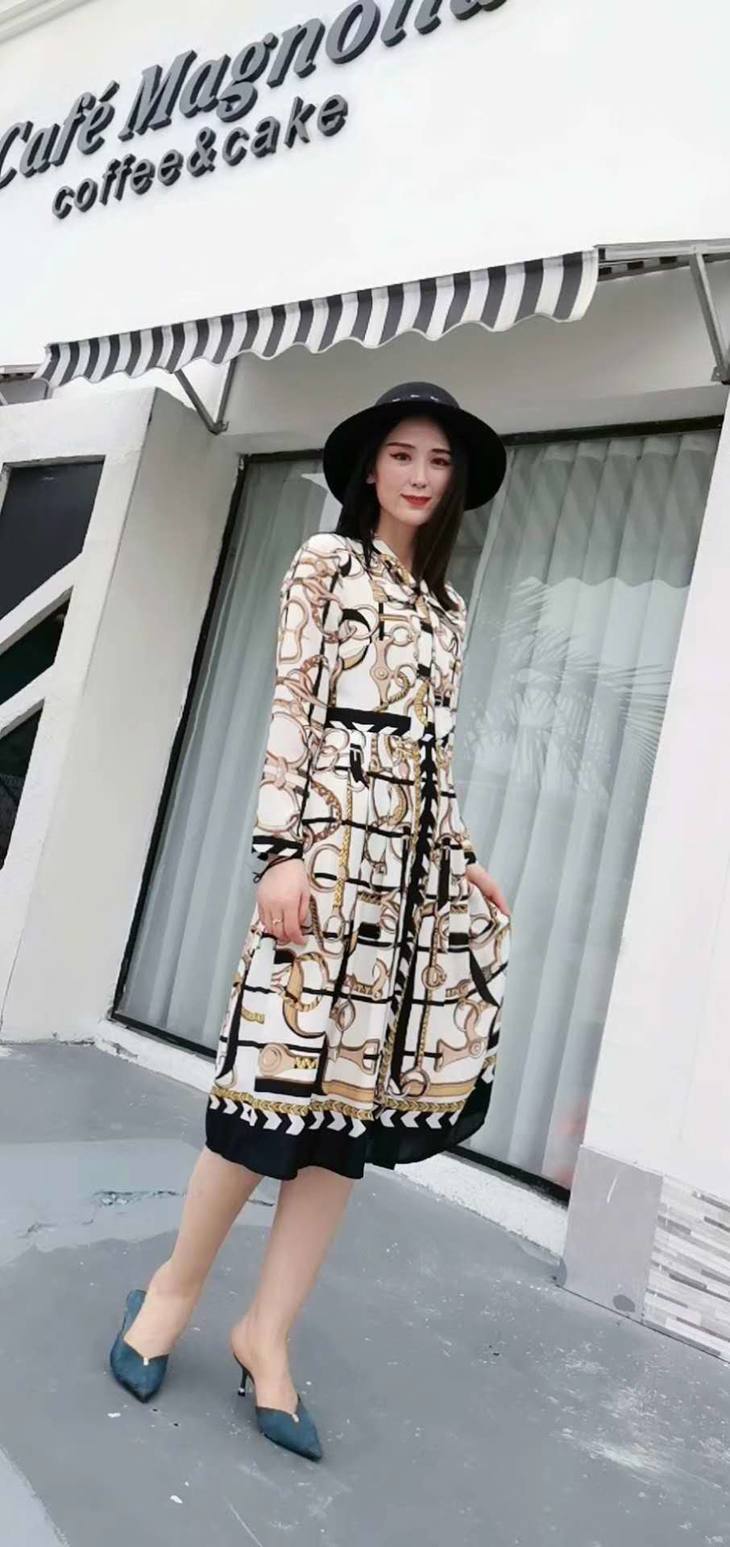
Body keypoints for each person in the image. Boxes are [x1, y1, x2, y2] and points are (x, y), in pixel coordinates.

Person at [109, 381, 513, 1463]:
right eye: (403, 454)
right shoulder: (324, 564)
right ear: (369, 468)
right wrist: (277, 852)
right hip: (323, 869)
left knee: (343, 1130)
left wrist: (463, 858)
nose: (420, 475)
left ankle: (268, 1332)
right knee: (265, 1095)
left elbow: (434, 758)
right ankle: (172, 1290)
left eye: (438, 459)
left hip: (408, 893)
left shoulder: (450, 608)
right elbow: (293, 708)